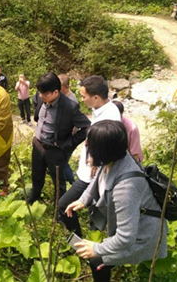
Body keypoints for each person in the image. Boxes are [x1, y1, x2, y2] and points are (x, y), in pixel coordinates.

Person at [65, 120, 167, 282]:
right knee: (99, 254)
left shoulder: (126, 189)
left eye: (89, 146)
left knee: (97, 259)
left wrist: (96, 248)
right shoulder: (117, 155)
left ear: (102, 152)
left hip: (143, 235)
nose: (86, 148)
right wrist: (84, 199)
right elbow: (100, 175)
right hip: (135, 224)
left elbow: (126, 238)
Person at [58, 75, 121, 237]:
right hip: (90, 172)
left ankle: (79, 243)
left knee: (64, 205)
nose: (82, 99)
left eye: (84, 96)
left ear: (96, 97)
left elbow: (114, 147)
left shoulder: (111, 117)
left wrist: (97, 158)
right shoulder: (100, 109)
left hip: (93, 176)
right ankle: (93, 240)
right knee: (95, 211)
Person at [28, 73, 90, 205]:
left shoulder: (69, 107)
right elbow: (36, 105)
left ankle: (59, 208)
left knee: (58, 181)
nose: (40, 96)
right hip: (38, 144)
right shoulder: (40, 98)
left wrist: (69, 143)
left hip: (55, 149)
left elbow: (87, 127)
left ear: (56, 92)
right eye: (40, 93)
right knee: (37, 174)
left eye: (44, 94)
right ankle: (34, 196)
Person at [58, 74, 78, 184]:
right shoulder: (61, 97)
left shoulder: (72, 101)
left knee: (62, 161)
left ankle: (73, 183)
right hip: (61, 137)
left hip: (69, 138)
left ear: (67, 87)